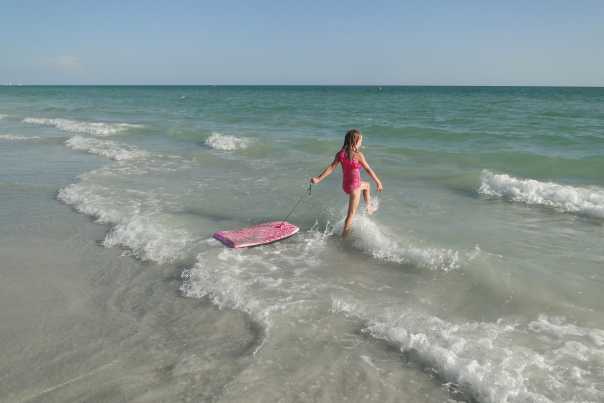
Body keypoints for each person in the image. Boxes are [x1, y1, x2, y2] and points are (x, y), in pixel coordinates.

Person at [310, 129, 383, 237]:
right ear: (355, 141)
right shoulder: (358, 155)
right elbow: (368, 169)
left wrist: (318, 179)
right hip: (355, 187)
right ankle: (344, 236)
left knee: (367, 185)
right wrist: (378, 181)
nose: (361, 143)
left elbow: (331, 168)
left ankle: (369, 207)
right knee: (351, 214)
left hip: (346, 186)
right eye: (360, 141)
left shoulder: (341, 154)